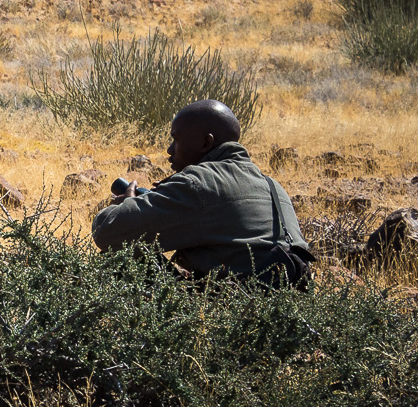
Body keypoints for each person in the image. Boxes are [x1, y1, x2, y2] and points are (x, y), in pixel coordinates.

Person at [91, 99, 313, 283]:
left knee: (121, 259)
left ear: (206, 143)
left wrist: (127, 204)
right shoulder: (273, 185)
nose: (170, 150)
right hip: (288, 310)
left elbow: (108, 233)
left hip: (236, 313)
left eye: (176, 140)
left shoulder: (199, 183)